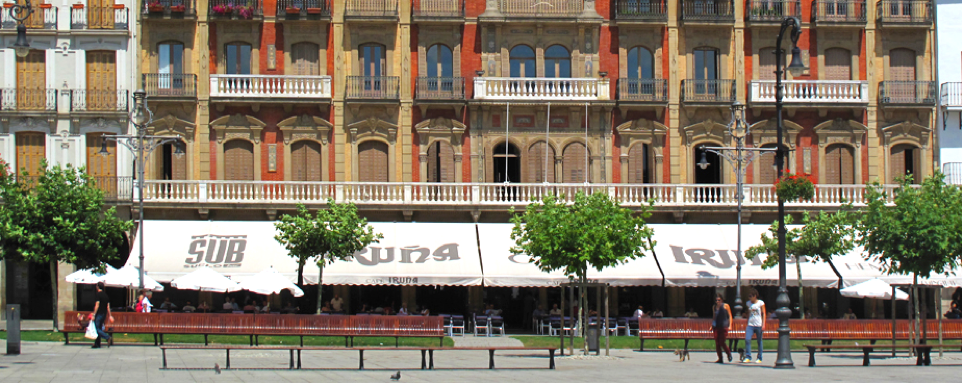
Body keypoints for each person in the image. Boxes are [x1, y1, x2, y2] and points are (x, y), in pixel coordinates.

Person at [743, 290, 766, 363]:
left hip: (758, 324)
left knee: (759, 341)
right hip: (750, 324)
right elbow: (748, 313)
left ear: (755, 296)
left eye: (751, 296)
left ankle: (759, 357)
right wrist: (747, 322)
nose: (749, 298)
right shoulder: (748, 303)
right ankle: (748, 356)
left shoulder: (760, 303)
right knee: (747, 339)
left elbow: (764, 314)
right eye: (748, 296)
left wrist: (763, 324)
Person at [91, 282, 113, 349]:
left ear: (97, 287)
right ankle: (97, 344)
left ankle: (107, 337)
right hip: (104, 314)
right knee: (99, 328)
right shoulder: (106, 295)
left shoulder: (98, 295)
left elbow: (97, 305)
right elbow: (108, 307)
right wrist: (110, 315)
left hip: (99, 314)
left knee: (96, 329)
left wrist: (94, 314)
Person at [712, 294, 734, 363]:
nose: (717, 302)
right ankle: (720, 358)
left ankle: (728, 353)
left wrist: (730, 325)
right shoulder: (714, 307)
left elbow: (730, 316)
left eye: (719, 300)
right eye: (716, 300)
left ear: (722, 300)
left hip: (724, 326)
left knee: (722, 342)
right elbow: (714, 317)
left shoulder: (726, 306)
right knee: (717, 343)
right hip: (716, 326)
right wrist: (712, 325)